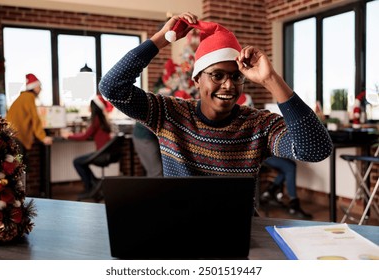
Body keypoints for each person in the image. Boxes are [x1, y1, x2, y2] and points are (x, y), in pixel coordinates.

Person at [99, 12, 332, 178]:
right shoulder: (169, 114)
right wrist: (161, 39)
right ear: (197, 79)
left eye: (236, 76)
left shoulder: (258, 125)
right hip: (181, 228)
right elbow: (112, 87)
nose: (229, 85)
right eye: (217, 75)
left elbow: (315, 150)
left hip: (241, 229)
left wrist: (271, 79)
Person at [62, 95, 113, 198]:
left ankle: (89, 187)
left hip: (101, 154)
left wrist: (68, 136)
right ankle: (95, 183)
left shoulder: (96, 119)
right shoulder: (102, 118)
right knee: (81, 162)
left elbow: (84, 136)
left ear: (94, 107)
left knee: (77, 162)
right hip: (106, 153)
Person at [6, 73, 53, 166]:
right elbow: (34, 118)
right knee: (18, 165)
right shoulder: (29, 97)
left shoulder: (23, 97)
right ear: (34, 87)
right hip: (16, 137)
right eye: (39, 86)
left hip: (11, 135)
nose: (40, 89)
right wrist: (43, 137)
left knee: (16, 164)